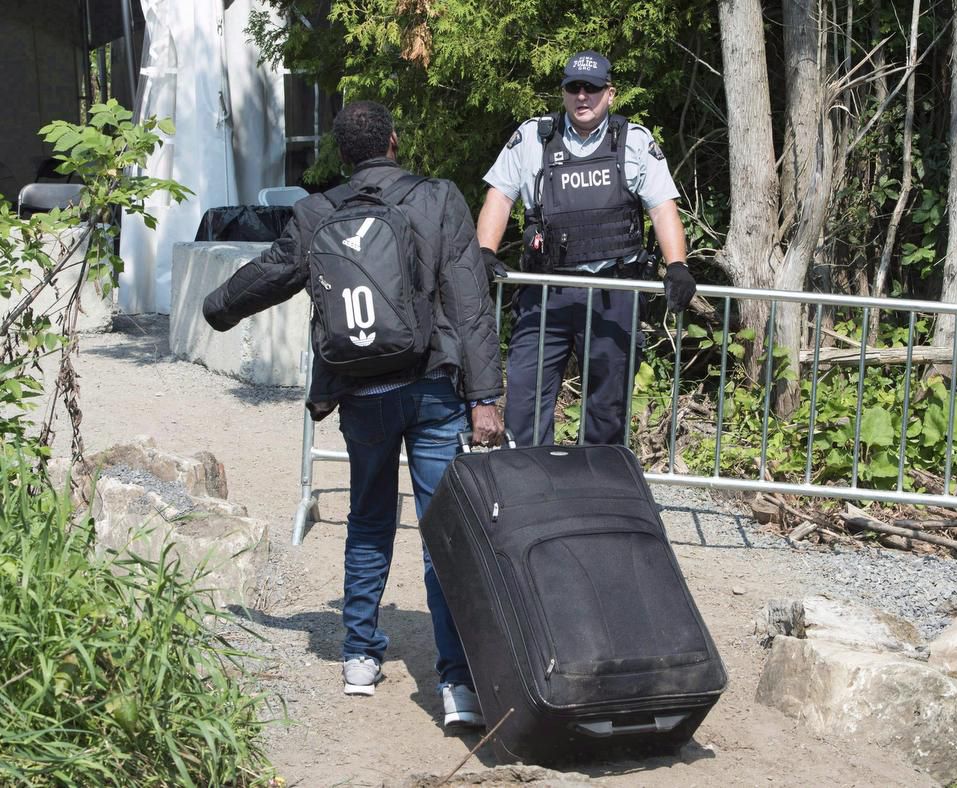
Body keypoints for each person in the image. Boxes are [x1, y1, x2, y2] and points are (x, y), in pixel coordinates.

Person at [203, 100, 503, 729]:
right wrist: (485, 398)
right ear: (394, 140)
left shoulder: (316, 212)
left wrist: (218, 306)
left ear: (342, 154)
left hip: (360, 393)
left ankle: (360, 657)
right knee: (441, 531)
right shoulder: (438, 198)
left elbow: (274, 272)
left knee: (368, 521)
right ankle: (457, 686)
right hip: (431, 387)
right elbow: (470, 303)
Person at [475, 50, 696, 447]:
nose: (582, 97)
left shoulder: (633, 141)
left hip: (613, 293)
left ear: (609, 94)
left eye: (591, 89)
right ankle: (531, 494)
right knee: (524, 403)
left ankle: (596, 495)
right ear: (563, 93)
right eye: (573, 88)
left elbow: (663, 208)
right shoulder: (533, 137)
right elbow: (500, 196)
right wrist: (486, 251)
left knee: (607, 409)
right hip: (546, 292)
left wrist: (676, 264)